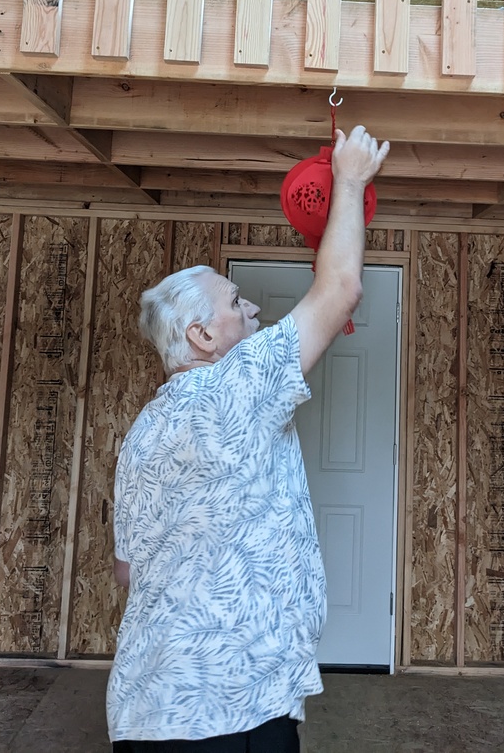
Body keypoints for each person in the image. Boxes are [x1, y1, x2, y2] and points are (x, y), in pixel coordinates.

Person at [107, 125, 390, 752]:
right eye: (237, 302)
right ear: (203, 337)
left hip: (148, 706)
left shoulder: (142, 432)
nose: (254, 311)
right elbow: (340, 288)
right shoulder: (235, 385)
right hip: (232, 710)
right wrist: (348, 179)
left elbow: (129, 570)